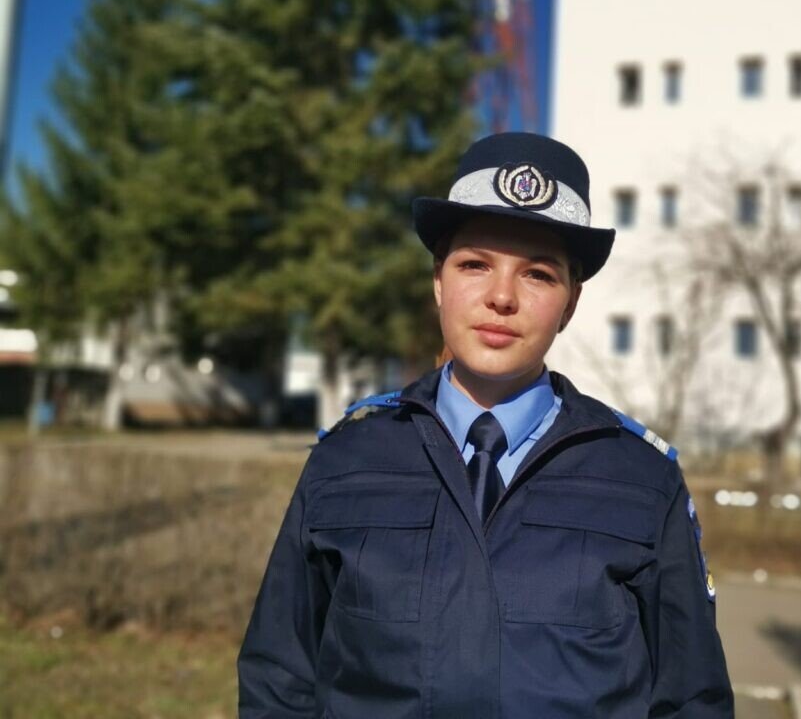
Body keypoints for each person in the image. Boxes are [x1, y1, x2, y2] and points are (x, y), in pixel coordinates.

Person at [237, 132, 734, 718]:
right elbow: (279, 679)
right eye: (475, 265)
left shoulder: (641, 479)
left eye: (538, 275)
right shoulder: (347, 460)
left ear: (571, 304)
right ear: (438, 282)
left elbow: (692, 699)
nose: (501, 298)